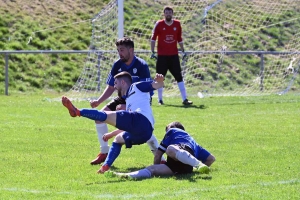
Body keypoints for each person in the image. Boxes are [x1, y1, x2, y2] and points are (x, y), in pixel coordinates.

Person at [62, 72, 165, 173]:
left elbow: (156, 85)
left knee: (105, 115)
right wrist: (111, 134)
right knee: (117, 140)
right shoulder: (128, 99)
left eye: (115, 83)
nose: (114, 86)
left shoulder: (136, 86)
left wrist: (160, 81)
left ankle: (78, 112)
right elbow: (129, 126)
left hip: (140, 119)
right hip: (144, 133)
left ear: (123, 83)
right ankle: (105, 166)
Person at [89, 37, 162, 165]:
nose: (119, 53)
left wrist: (131, 108)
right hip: (122, 98)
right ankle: (104, 152)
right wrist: (99, 101)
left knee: (137, 125)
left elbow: (147, 90)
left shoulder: (141, 66)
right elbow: (111, 86)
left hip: (137, 101)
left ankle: (159, 157)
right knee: (100, 116)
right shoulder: (117, 65)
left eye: (122, 50)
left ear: (131, 50)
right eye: (118, 50)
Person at [104, 121, 216, 179]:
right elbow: (211, 159)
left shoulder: (172, 131)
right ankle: (123, 176)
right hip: (183, 168)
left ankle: (198, 164)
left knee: (170, 149)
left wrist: (157, 164)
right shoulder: (194, 142)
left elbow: (158, 154)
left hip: (180, 153)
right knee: (151, 170)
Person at [150, 6, 193, 105]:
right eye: (166, 12)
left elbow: (179, 38)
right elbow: (153, 38)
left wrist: (183, 50)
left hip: (174, 56)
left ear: (172, 14)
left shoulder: (177, 24)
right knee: (160, 77)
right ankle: (160, 100)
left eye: (170, 12)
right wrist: (152, 51)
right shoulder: (159, 24)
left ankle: (184, 99)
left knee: (179, 77)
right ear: (164, 14)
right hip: (162, 56)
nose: (168, 14)